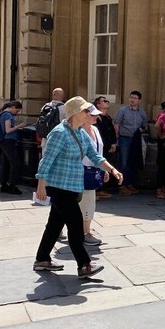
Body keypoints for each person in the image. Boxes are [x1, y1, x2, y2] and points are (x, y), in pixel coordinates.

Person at [33, 96, 122, 278]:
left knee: (54, 225)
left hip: (72, 186)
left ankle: (42, 259)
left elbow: (94, 155)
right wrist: (41, 185)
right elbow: (46, 160)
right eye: (85, 111)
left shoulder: (80, 132)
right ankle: (85, 264)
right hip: (59, 187)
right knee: (75, 225)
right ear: (76, 113)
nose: (89, 113)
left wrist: (112, 169)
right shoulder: (59, 133)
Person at [79, 105, 105, 246]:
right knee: (77, 202)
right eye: (93, 114)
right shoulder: (77, 131)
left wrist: (104, 169)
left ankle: (85, 231)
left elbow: (98, 152)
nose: (96, 117)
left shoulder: (95, 129)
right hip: (79, 170)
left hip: (93, 171)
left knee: (89, 201)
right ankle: (85, 233)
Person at [113, 90, 149, 195]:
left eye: (135, 98)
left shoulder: (142, 112)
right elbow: (117, 123)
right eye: (131, 97)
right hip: (124, 138)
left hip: (136, 140)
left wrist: (143, 129)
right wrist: (116, 138)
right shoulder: (123, 110)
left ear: (139, 100)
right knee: (123, 162)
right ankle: (122, 185)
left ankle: (129, 184)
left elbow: (145, 125)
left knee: (133, 162)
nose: (132, 100)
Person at [0, 100, 26, 194]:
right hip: (8, 141)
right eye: (17, 111)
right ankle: (12, 186)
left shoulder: (2, 114)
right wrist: (19, 126)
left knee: (5, 163)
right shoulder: (8, 115)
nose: (17, 113)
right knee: (15, 163)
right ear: (13, 107)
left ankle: (4, 185)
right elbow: (8, 130)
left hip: (3, 141)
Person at [92, 96, 117, 198]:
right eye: (104, 101)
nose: (107, 102)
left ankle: (101, 188)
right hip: (101, 146)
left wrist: (114, 143)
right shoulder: (96, 118)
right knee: (98, 167)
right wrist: (107, 145)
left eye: (107, 101)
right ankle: (95, 190)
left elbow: (112, 132)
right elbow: (99, 135)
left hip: (109, 147)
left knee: (105, 168)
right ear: (98, 105)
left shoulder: (108, 117)